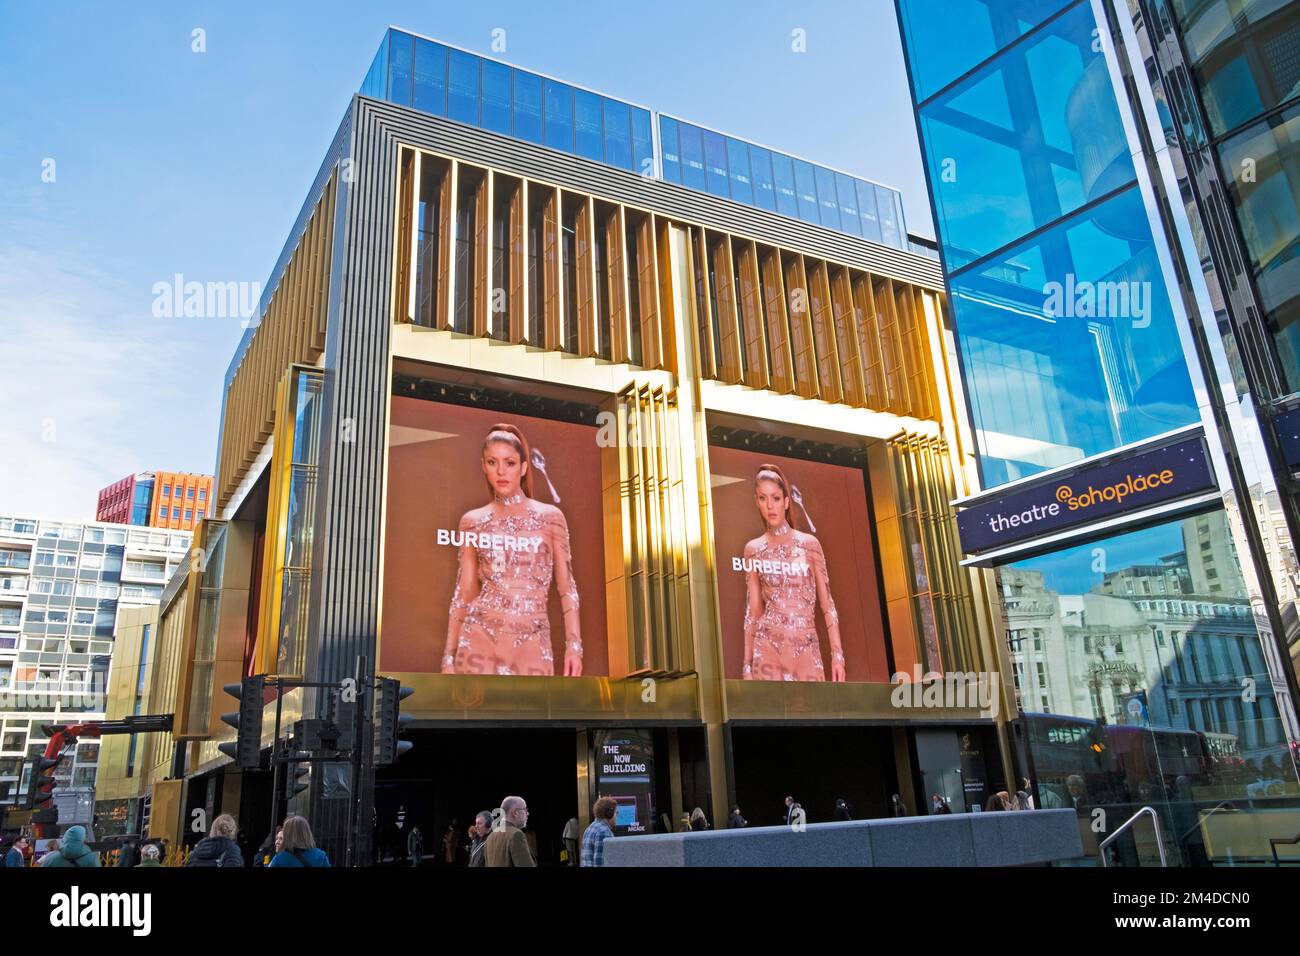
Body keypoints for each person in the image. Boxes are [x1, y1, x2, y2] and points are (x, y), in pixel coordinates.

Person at [440, 424, 583, 677]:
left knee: (532, 715)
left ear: (524, 467)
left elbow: (567, 587)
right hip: (479, 640)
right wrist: (448, 656)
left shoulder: (551, 518)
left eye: (510, 462)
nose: (501, 471)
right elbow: (465, 591)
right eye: (493, 462)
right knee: (471, 714)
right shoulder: (472, 521)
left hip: (532, 643)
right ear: (483, 465)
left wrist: (574, 647)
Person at [741, 464, 844, 682]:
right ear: (756, 501)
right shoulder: (753, 549)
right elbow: (753, 611)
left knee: (813, 714)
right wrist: (747, 665)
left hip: (806, 648)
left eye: (776, 498)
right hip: (767, 648)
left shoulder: (810, 545)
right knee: (769, 715)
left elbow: (828, 606)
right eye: (762, 498)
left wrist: (838, 657)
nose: (770, 505)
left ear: (787, 502)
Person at [484, 796, 535, 867]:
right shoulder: (516, 834)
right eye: (525, 810)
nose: (527, 813)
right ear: (515, 813)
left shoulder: (490, 837)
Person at [580, 796, 617, 867]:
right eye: (616, 812)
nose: (617, 816)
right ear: (609, 813)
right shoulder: (603, 832)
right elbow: (600, 863)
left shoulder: (590, 828)